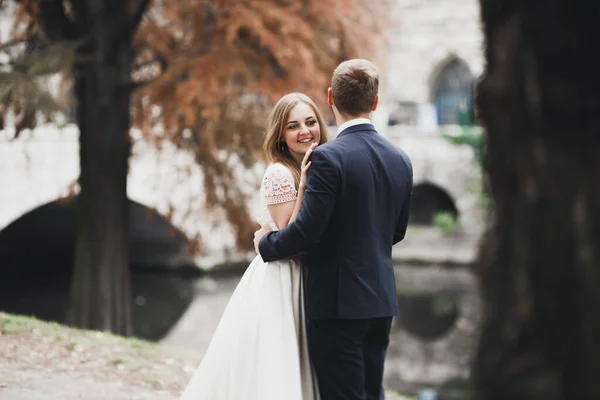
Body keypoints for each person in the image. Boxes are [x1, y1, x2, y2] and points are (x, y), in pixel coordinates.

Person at [254, 59, 413, 400]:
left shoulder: (328, 157)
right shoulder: (400, 158)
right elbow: (396, 232)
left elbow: (307, 232)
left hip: (338, 303)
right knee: (372, 392)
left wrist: (266, 243)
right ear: (375, 101)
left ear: (330, 97)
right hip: (381, 299)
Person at [180, 92, 328, 400]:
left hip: (308, 277)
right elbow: (291, 235)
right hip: (283, 277)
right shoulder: (280, 173)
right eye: (293, 126)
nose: (304, 131)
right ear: (281, 136)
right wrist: (303, 185)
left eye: (310, 122)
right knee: (279, 362)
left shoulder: (321, 166)